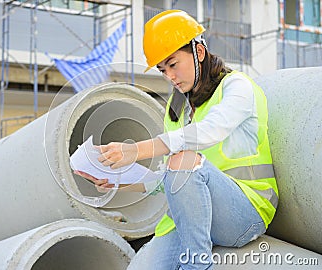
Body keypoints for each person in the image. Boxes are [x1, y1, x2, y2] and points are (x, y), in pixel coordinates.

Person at [75, 10, 278, 269]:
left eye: (173, 64)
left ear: (199, 53)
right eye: (162, 70)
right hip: (191, 217)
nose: (169, 76)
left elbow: (210, 131)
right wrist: (115, 181)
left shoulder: (237, 87)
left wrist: (136, 150)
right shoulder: (178, 108)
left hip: (245, 212)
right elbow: (170, 181)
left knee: (183, 159)